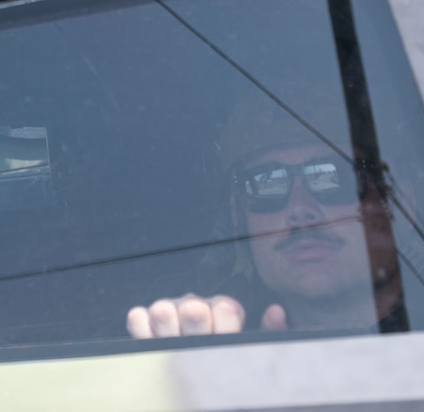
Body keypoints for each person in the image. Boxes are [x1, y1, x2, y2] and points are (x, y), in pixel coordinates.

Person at [125, 90, 405, 339]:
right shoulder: (223, 340)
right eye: (266, 184)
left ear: (399, 202)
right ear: (240, 218)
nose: (299, 209)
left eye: (333, 177)